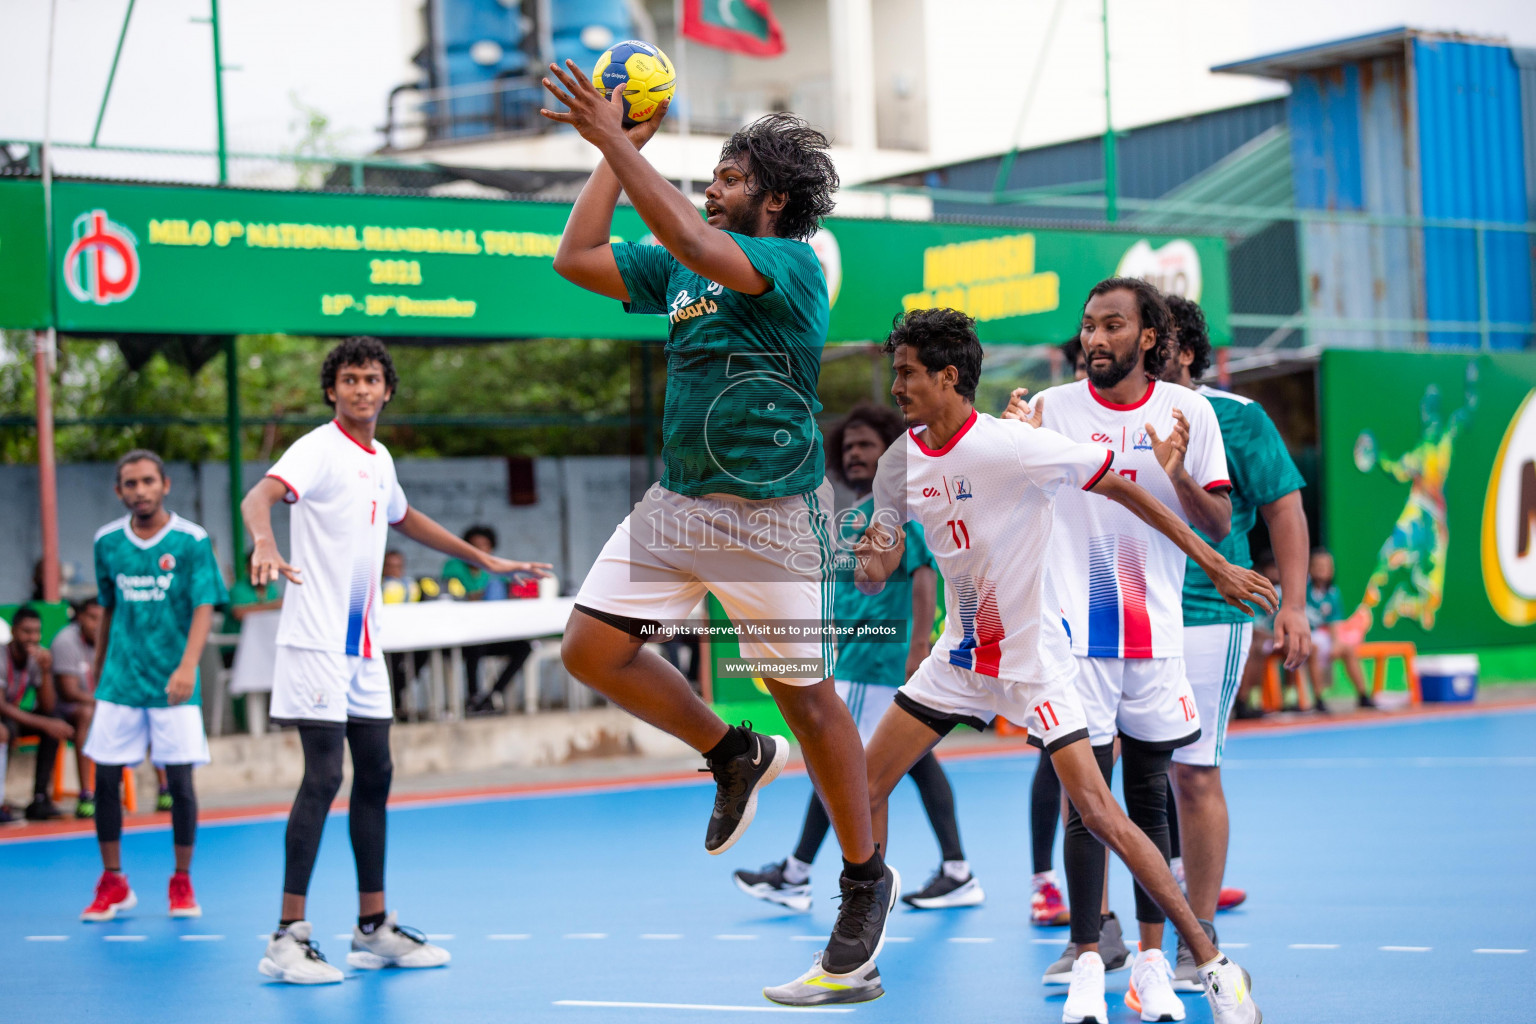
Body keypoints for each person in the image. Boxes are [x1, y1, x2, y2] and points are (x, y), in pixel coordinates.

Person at [540, 64, 894, 1000]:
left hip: (774, 517)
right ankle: (731, 753)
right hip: (682, 503)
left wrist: (613, 137)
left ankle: (864, 883)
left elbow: (692, 235)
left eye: (731, 177)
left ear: (773, 200)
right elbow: (574, 257)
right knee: (589, 649)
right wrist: (620, 157)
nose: (712, 188)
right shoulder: (686, 269)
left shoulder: (792, 263)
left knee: (810, 705)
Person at [823, 308, 1265, 1022]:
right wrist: (866, 556)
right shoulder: (901, 459)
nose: (896, 385)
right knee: (862, 783)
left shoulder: (1013, 446)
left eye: (907, 372)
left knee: (1101, 813)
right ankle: (857, 944)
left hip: (1036, 658)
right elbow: (878, 566)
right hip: (959, 658)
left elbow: (1121, 487)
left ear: (947, 376)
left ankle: (1213, 966)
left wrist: (1215, 563)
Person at [242, 336, 550, 985]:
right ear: (333, 391)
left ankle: (372, 926)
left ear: (387, 390)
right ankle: (287, 937)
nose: (360, 389)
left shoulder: (378, 459)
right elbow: (258, 498)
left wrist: (482, 558)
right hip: (316, 640)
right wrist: (264, 543)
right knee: (324, 778)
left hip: (361, 646)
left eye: (371, 379)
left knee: (376, 775)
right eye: (349, 379)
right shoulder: (317, 448)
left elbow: (406, 519)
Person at [1011, 277, 1235, 1019]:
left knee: (1148, 797)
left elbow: (1221, 524)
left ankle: (1148, 964)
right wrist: (1014, 448)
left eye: (1113, 325)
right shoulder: (1048, 409)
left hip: (1155, 637)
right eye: (1088, 325)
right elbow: (1013, 503)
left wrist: (1174, 475)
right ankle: (1084, 958)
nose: (1096, 338)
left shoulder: (1188, 411)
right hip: (1073, 638)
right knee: (1086, 798)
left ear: (1148, 338)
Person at [734, 403, 981, 915]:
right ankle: (956, 870)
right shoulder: (856, 516)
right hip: (854, 659)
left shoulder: (894, 509)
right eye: (848, 447)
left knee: (840, 766)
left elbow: (922, 576)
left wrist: (917, 651)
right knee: (904, 764)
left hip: (876, 660)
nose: (854, 455)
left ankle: (801, 874)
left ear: (890, 451)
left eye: (866, 445)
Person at [1158, 292, 1310, 988]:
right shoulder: (1102, 414)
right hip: (1123, 613)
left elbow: (1282, 505)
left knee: (1191, 772)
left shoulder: (1235, 417)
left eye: (1152, 335)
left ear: (1186, 350)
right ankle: (1102, 935)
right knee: (1107, 777)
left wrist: (1296, 606)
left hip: (1204, 613)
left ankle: (1200, 934)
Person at [80, 449, 227, 922]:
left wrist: (188, 667)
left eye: (147, 481)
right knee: (105, 781)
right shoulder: (107, 543)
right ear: (119, 491)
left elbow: (205, 604)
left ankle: (181, 880)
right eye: (130, 483)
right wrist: (98, 666)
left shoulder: (191, 540)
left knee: (180, 785)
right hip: (120, 681)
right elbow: (108, 610)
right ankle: (114, 881)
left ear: (165, 484)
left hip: (174, 683)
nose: (139, 490)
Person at [444, 526, 536, 714]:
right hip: (460, 637)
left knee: (524, 647)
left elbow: (504, 595)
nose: (480, 551)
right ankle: (473, 697)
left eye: (485, 546)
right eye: (475, 546)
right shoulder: (453, 566)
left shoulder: (495, 568)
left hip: (490, 634)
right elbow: (451, 595)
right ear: (465, 547)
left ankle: (492, 695)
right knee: (476, 644)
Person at [1, 605, 73, 821]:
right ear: (13, 631)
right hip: (3, 715)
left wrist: (45, 671)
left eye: (36, 632)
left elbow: (48, 706)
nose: (32, 637)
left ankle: (40, 799)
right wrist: (44, 723)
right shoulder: (2, 657)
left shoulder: (37, 658)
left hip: (11, 716)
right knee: (4, 730)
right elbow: (1, 705)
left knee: (53, 723)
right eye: (26, 631)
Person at [50, 598, 102, 818]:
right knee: (86, 714)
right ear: (80, 617)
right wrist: (105, 703)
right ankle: (86, 794)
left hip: (100, 707)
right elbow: (69, 692)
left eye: (102, 619)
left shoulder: (110, 639)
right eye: (92, 618)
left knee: (143, 711)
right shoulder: (66, 641)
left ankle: (165, 790)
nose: (97, 624)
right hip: (65, 710)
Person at [1304, 547, 1374, 710]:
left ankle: (1363, 696)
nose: (1322, 570)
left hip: (1322, 638)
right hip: (1304, 637)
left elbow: (1334, 623)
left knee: (1348, 649)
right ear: (1310, 568)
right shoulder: (1302, 589)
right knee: (1313, 648)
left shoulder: (1333, 594)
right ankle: (1319, 700)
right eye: (1318, 566)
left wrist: (1336, 643)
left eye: (1326, 566)